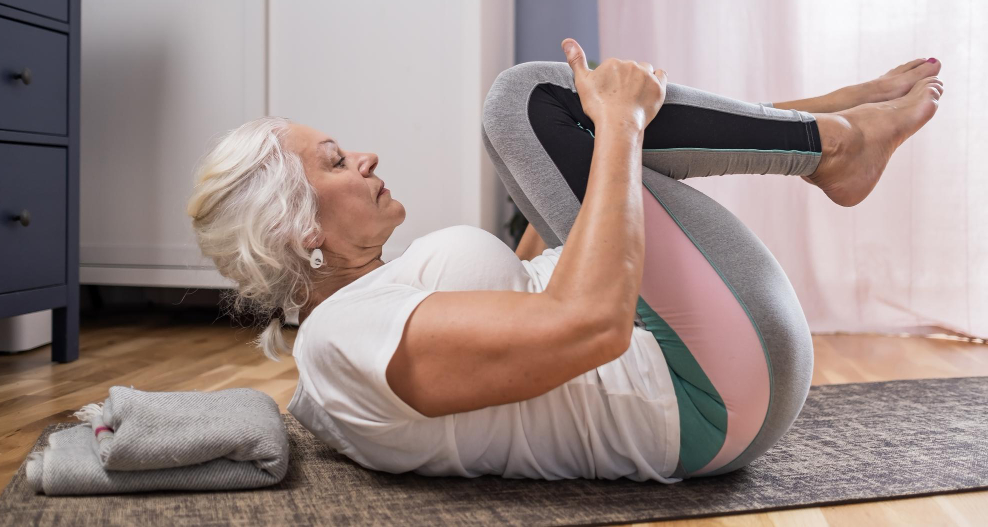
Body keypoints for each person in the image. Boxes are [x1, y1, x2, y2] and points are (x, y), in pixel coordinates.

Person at [186, 38, 943, 482]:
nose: (365, 156)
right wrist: (616, 125)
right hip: (707, 385)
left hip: (724, 372)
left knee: (575, 132)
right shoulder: (342, 340)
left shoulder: (367, 305)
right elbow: (591, 325)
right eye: (335, 160)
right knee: (523, 106)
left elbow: (551, 263)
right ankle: (834, 143)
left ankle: (829, 128)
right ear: (301, 231)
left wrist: (600, 140)